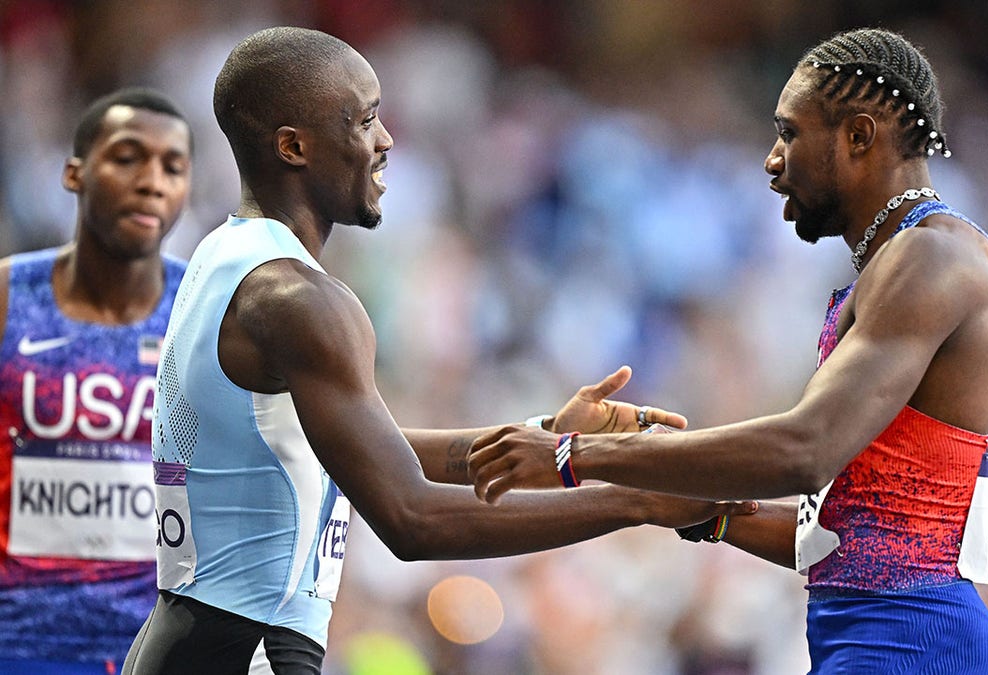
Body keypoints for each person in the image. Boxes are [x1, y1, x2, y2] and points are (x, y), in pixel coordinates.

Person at [121, 26, 751, 675]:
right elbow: (411, 518)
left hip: (192, 639)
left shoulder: (226, 259)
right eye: (365, 119)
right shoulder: (301, 301)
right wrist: (637, 500)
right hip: (246, 648)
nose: (387, 139)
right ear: (294, 146)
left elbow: (363, 451)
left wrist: (553, 442)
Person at [469, 27, 988, 673]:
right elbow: (856, 538)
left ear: (859, 136)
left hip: (914, 646)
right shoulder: (902, 264)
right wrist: (709, 513)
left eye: (789, 133)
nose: (772, 161)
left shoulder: (932, 258)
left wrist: (575, 455)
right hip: (883, 640)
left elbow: (805, 451)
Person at [0, 88, 192, 673]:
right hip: (16, 642)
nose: (152, 181)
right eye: (129, 157)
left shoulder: (208, 313)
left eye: (173, 167)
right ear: (75, 173)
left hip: (157, 648)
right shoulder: (9, 298)